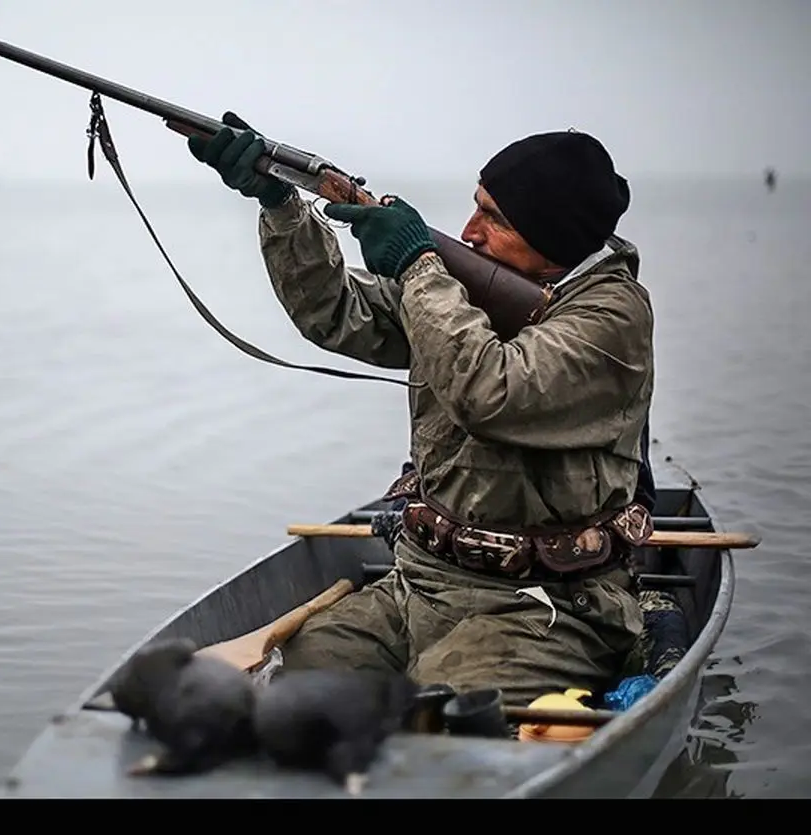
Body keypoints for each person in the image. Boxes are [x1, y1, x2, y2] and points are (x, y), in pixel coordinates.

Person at [187, 113, 656, 707]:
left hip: (552, 606)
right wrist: (281, 204)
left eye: (495, 218)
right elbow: (336, 312)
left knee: (442, 711)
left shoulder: (613, 318)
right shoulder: (470, 288)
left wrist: (418, 265)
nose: (469, 231)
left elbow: (490, 392)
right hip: (419, 583)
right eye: (476, 206)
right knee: (291, 683)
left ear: (554, 235)